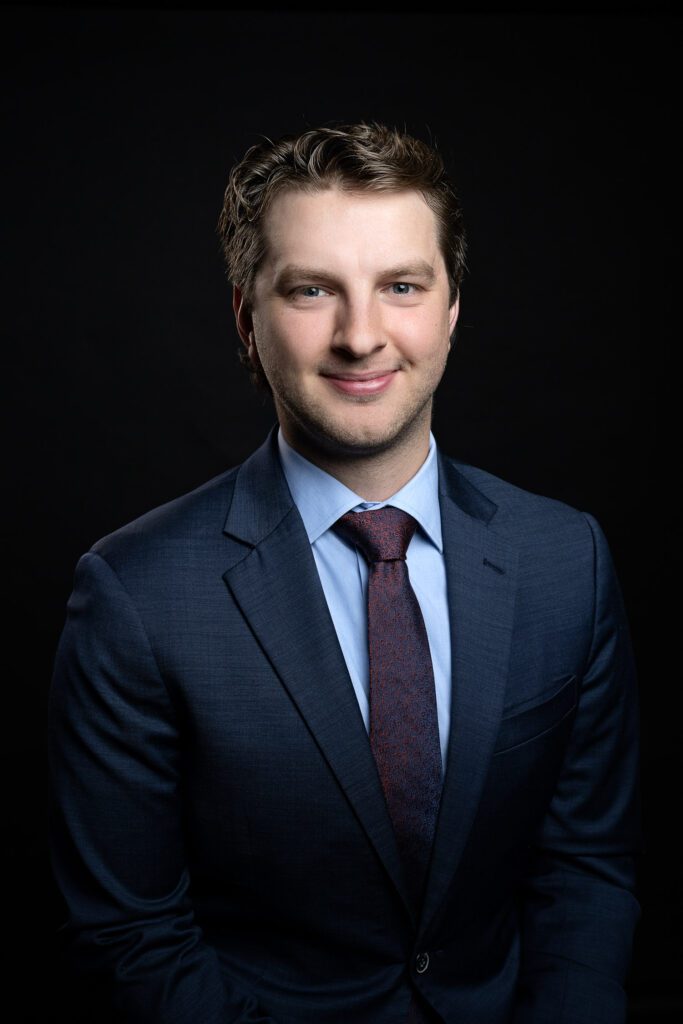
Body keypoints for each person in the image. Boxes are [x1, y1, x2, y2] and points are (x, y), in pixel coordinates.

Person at [48, 121, 642, 1024]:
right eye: (312, 289)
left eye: (400, 286)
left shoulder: (567, 558)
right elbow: (133, 935)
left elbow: (586, 866)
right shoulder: (135, 594)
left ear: (449, 311)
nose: (361, 336)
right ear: (248, 320)